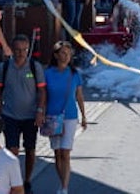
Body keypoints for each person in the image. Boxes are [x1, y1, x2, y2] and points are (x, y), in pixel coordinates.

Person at [0, 34, 47, 194]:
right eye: (17, 50)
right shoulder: (4, 67)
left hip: (30, 115)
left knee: (30, 149)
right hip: (10, 115)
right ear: (12, 49)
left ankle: (27, 180)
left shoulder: (34, 67)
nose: (21, 53)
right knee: (12, 150)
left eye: (24, 50)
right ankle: (13, 181)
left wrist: (40, 111)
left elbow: (42, 90)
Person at [44, 41, 86, 194]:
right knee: (57, 152)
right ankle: (62, 182)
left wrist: (84, 116)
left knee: (65, 152)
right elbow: (43, 95)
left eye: (68, 54)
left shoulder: (74, 74)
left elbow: (79, 96)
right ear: (55, 55)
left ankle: (64, 187)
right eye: (62, 53)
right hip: (52, 117)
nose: (65, 56)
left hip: (69, 116)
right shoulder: (47, 73)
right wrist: (41, 112)